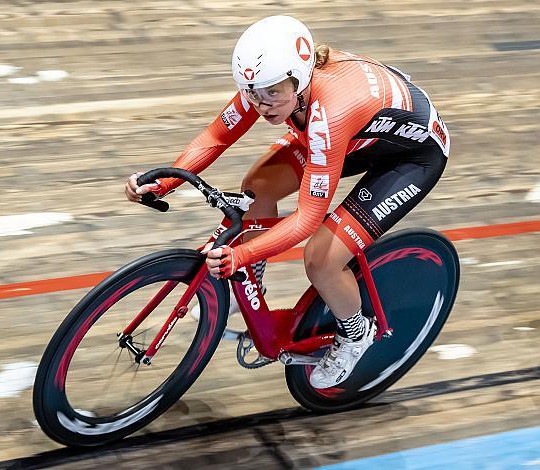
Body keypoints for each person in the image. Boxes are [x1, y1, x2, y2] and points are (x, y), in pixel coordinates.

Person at [125, 15, 450, 389]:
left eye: (272, 94)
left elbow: (306, 220)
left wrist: (239, 257)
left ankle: (356, 333)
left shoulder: (328, 112)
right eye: (253, 93)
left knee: (322, 259)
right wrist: (162, 182)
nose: (261, 105)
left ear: (300, 79)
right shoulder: (269, 85)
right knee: (258, 186)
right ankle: (251, 290)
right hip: (359, 134)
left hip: (411, 157)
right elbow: (215, 137)